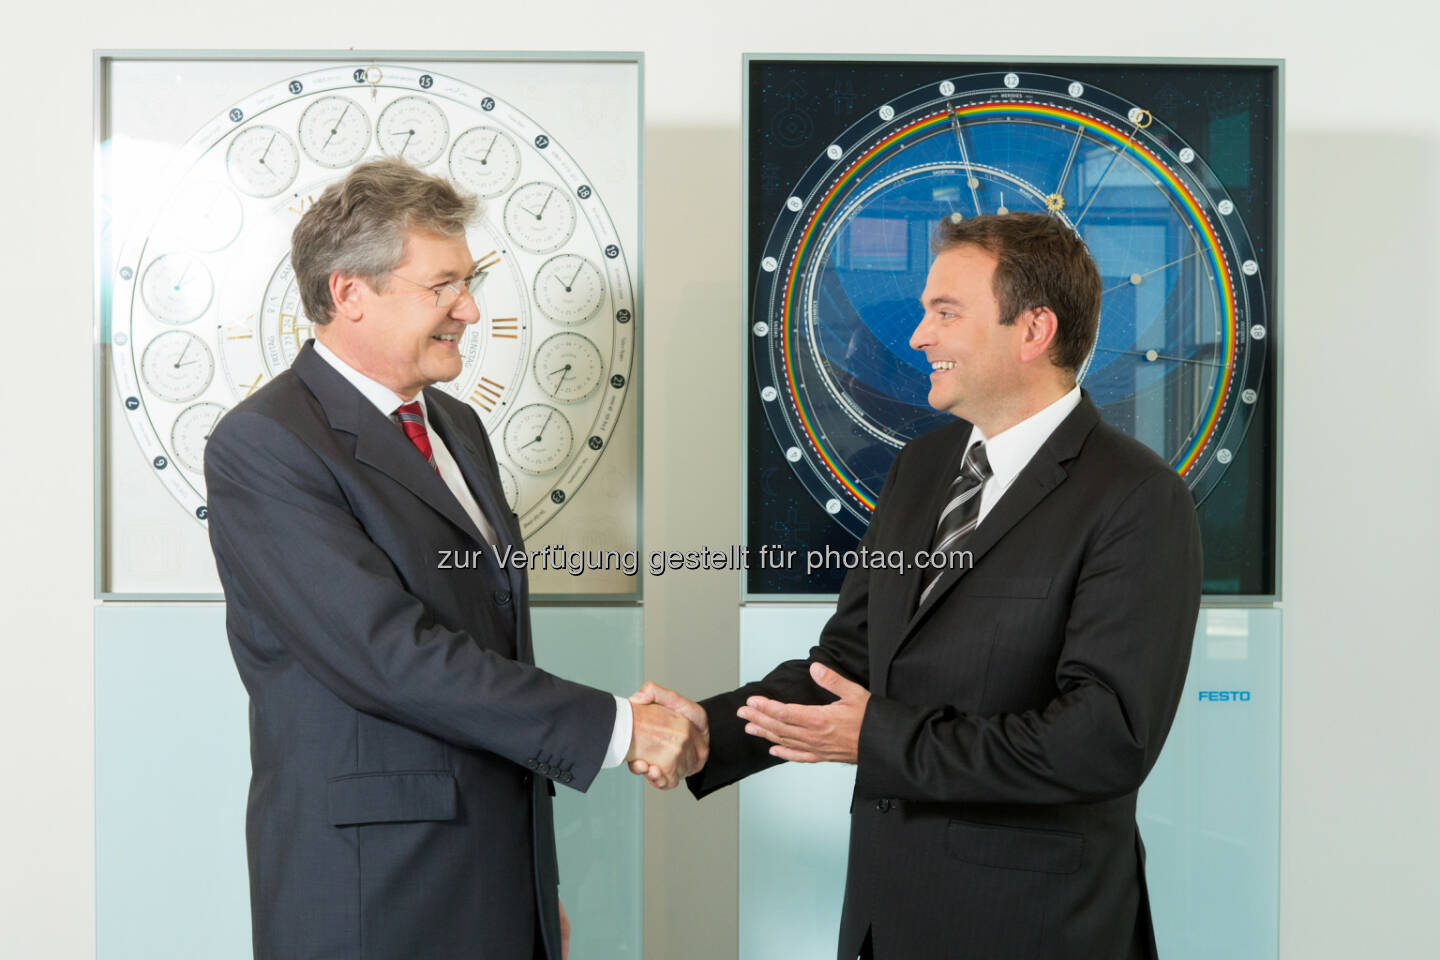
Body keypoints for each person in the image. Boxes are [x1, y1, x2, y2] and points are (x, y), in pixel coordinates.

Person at [634, 212, 1203, 960]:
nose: (917, 337)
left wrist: (880, 736)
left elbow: (1103, 740)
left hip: (1035, 931)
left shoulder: (1135, 498)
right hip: (885, 923)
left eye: (945, 313)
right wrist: (712, 735)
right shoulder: (923, 470)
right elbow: (845, 665)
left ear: (1033, 330)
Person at [204, 158, 704, 960]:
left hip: (493, 881)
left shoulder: (457, 427)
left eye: (467, 284)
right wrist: (618, 728)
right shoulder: (266, 444)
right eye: (442, 286)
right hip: (374, 893)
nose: (468, 310)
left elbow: (487, 644)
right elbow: (389, 655)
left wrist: (537, 891)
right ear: (349, 292)